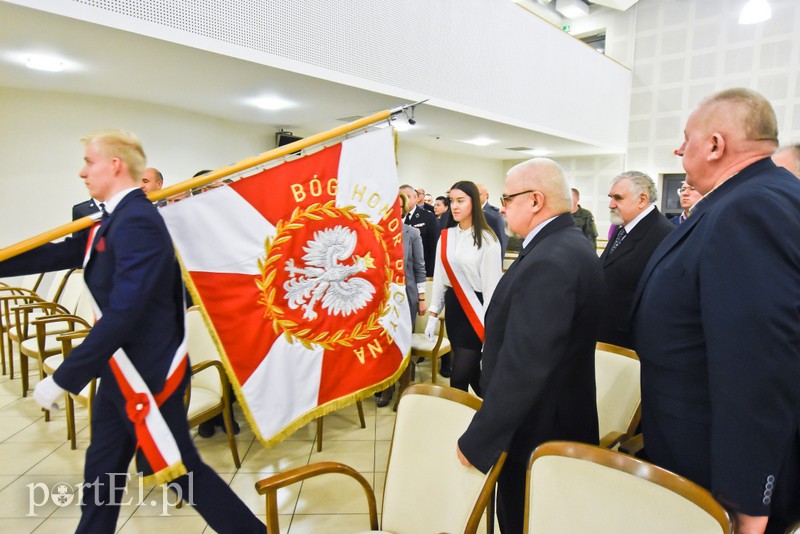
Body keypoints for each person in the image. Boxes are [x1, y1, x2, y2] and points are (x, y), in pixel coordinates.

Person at [0, 129, 264, 533]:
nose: (82, 172)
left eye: (89, 162)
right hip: (121, 374)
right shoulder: (114, 219)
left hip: (150, 376)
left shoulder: (138, 221)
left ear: (114, 165)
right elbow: (61, 252)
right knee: (102, 471)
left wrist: (64, 378)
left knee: (180, 471)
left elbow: (125, 313)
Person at [632, 88, 800, 534]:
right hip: (695, 449)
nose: (677, 148)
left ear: (715, 145)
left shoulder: (752, 206)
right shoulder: (742, 200)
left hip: (716, 471)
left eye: (686, 137)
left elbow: (757, 363)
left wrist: (748, 502)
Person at [456, 159, 603, 534]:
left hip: (538, 430)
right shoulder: (564, 245)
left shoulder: (552, 260)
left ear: (535, 200)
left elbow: (525, 366)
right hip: (554, 417)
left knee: (524, 520)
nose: (502, 207)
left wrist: (479, 440)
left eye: (507, 198)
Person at [426, 181, 502, 395]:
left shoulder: (488, 241)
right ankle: (491, 410)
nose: (455, 207)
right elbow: (441, 278)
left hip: (477, 311)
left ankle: (461, 421)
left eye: (461, 201)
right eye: (452, 201)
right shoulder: (446, 236)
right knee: (473, 376)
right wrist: (433, 313)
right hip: (455, 309)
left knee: (459, 378)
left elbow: (491, 290)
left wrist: (490, 329)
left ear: (474, 204)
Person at [597, 171, 672, 349]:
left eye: (618, 198)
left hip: (633, 340)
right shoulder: (622, 228)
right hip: (608, 331)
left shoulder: (664, 234)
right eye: (610, 197)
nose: (610, 204)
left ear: (642, 200)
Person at [377, 192, 427, 407]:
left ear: (403, 209)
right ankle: (386, 387)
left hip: (407, 298)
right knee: (385, 345)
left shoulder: (412, 233)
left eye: (397, 206)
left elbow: (419, 267)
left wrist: (422, 298)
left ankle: (404, 388)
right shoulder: (375, 232)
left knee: (403, 343)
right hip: (381, 299)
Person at [400, 184, 439, 277]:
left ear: (416, 198)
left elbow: (434, 248)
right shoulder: (394, 218)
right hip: (400, 272)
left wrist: (431, 274)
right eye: (402, 197)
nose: (405, 200)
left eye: (408, 196)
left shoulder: (428, 217)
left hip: (421, 271)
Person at [477, 183, 508, 259]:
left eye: (479, 194)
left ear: (487, 196)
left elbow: (501, 243)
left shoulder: (495, 216)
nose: (475, 197)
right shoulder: (468, 213)